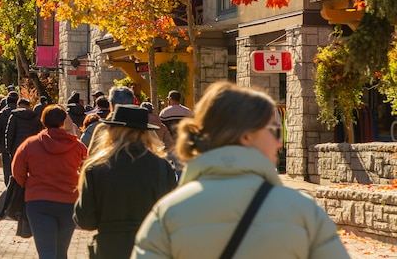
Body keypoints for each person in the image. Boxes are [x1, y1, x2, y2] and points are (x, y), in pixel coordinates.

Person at [132, 82, 348, 258]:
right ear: (246, 136)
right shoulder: (302, 211)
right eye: (274, 131)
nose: (280, 142)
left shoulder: (168, 213)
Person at [75, 104, 177, 258]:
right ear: (146, 133)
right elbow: (172, 217)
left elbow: (85, 220)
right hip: (151, 248)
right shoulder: (162, 167)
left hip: (110, 249)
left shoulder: (97, 168)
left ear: (112, 132)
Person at [12, 105, 88, 259]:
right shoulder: (78, 146)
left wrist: (28, 185)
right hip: (68, 201)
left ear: (43, 121)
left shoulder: (30, 144)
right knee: (61, 251)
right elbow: (88, 170)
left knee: (46, 251)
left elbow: (17, 170)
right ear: (63, 122)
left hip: (38, 202)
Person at [4, 98, 44, 185]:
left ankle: (15, 192)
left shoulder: (14, 116)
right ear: (29, 106)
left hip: (16, 149)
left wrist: (9, 149)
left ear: (18, 105)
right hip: (32, 150)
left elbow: (9, 134)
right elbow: (40, 134)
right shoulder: (35, 118)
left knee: (16, 172)